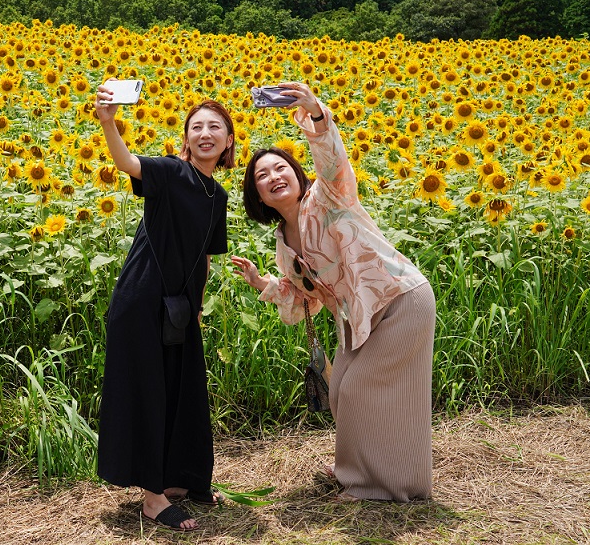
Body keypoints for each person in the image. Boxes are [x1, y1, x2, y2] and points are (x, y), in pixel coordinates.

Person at [231, 81, 435, 503]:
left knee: (359, 388)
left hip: (397, 299)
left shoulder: (327, 197)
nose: (273, 177)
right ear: (259, 197)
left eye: (280, 168)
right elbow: (302, 296)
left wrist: (316, 114)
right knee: (341, 387)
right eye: (262, 176)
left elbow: (333, 161)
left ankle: (381, 486)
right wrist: (263, 284)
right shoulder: (283, 245)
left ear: (296, 172)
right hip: (357, 316)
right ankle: (355, 471)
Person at [94, 83, 235, 531]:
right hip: (142, 298)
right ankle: (152, 499)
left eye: (216, 127)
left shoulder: (219, 196)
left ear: (230, 140)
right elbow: (127, 163)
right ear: (187, 139)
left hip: (180, 306)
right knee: (148, 391)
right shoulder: (171, 172)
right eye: (197, 127)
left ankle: (180, 478)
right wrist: (109, 122)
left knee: (182, 387)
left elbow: (206, 257)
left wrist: (195, 307)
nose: (206, 133)